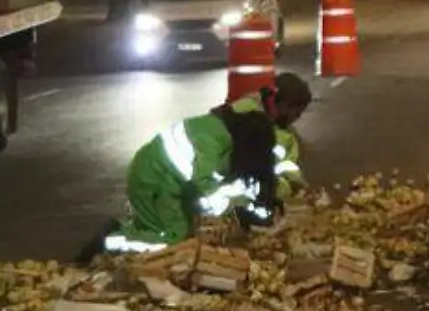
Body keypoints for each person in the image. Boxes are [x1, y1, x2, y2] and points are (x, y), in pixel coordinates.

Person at [85, 74, 313, 259]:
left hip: (168, 179)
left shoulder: (233, 130)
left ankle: (133, 230)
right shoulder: (215, 146)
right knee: (169, 242)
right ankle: (112, 240)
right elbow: (209, 198)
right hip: (153, 179)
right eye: (296, 111)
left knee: (179, 232)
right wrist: (243, 206)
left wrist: (252, 200)